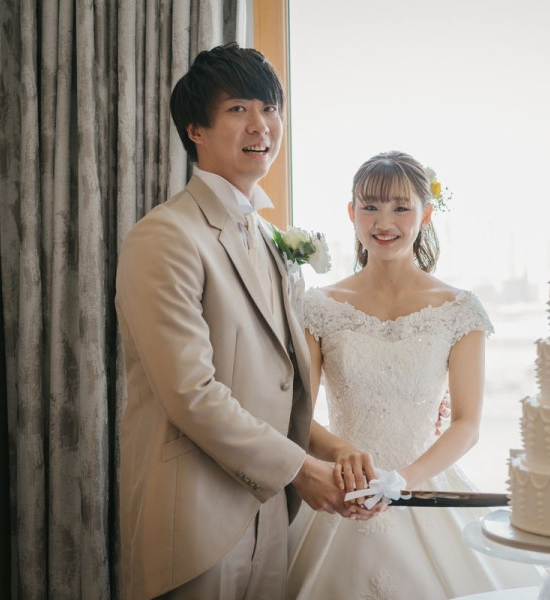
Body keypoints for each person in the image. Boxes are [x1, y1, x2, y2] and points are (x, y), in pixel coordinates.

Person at [115, 43, 374, 600]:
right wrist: (301, 470)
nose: (261, 125)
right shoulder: (165, 237)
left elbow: (275, 386)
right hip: (195, 521)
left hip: (270, 515)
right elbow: (191, 393)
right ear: (196, 131)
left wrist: (331, 450)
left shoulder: (271, 237)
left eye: (269, 108)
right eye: (238, 109)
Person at [286, 151, 545, 599]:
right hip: (341, 493)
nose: (384, 221)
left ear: (425, 214)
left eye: (401, 207)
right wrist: (342, 457)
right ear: (351, 213)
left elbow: (467, 424)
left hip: (425, 487)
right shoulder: (318, 306)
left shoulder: (460, 309)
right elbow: (298, 413)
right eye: (370, 206)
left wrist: (402, 480)